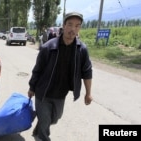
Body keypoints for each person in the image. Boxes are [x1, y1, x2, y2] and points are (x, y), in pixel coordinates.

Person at [28, 12, 93, 141]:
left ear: (79, 28)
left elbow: (87, 71)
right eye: (70, 25)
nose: (73, 29)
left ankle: (40, 126)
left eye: (77, 26)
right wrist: (32, 87)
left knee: (55, 119)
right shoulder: (48, 47)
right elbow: (37, 70)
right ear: (63, 25)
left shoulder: (82, 50)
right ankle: (42, 136)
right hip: (43, 92)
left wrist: (88, 93)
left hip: (60, 94)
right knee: (45, 121)